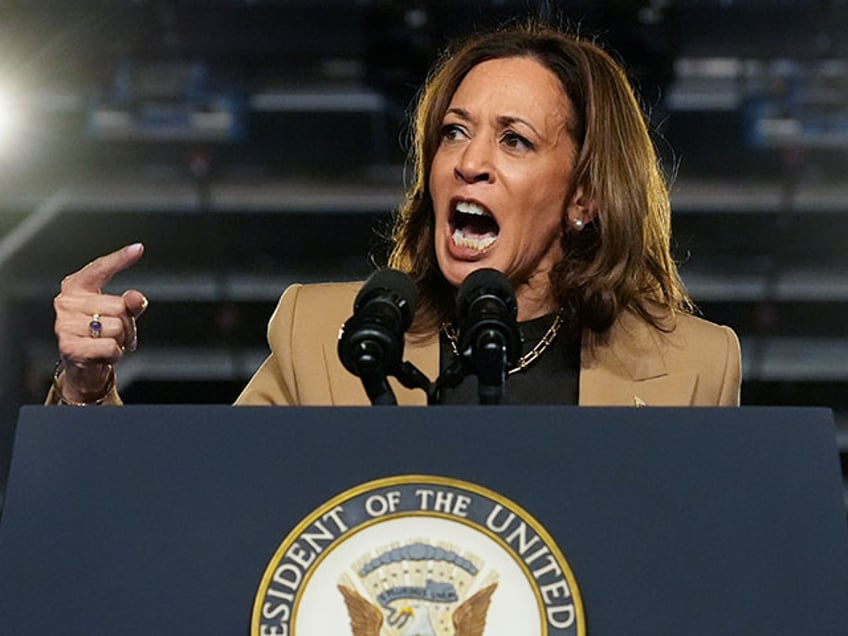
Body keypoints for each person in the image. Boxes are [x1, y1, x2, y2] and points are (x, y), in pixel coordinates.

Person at [48, 21, 741, 408]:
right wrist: (87, 388)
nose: (469, 161)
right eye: (455, 131)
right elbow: (203, 516)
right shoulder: (319, 338)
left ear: (585, 197)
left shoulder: (697, 368)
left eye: (515, 140)